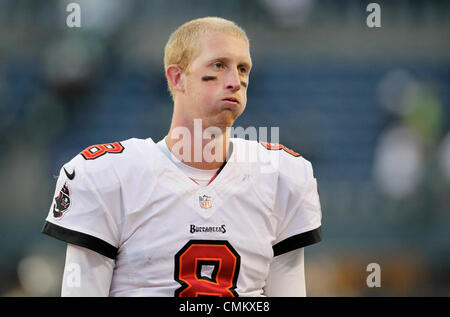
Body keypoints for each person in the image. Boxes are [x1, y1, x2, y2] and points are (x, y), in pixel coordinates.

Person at [42, 17, 322, 297]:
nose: (235, 81)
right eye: (219, 65)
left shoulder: (282, 175)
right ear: (177, 77)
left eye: (243, 68)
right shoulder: (107, 174)